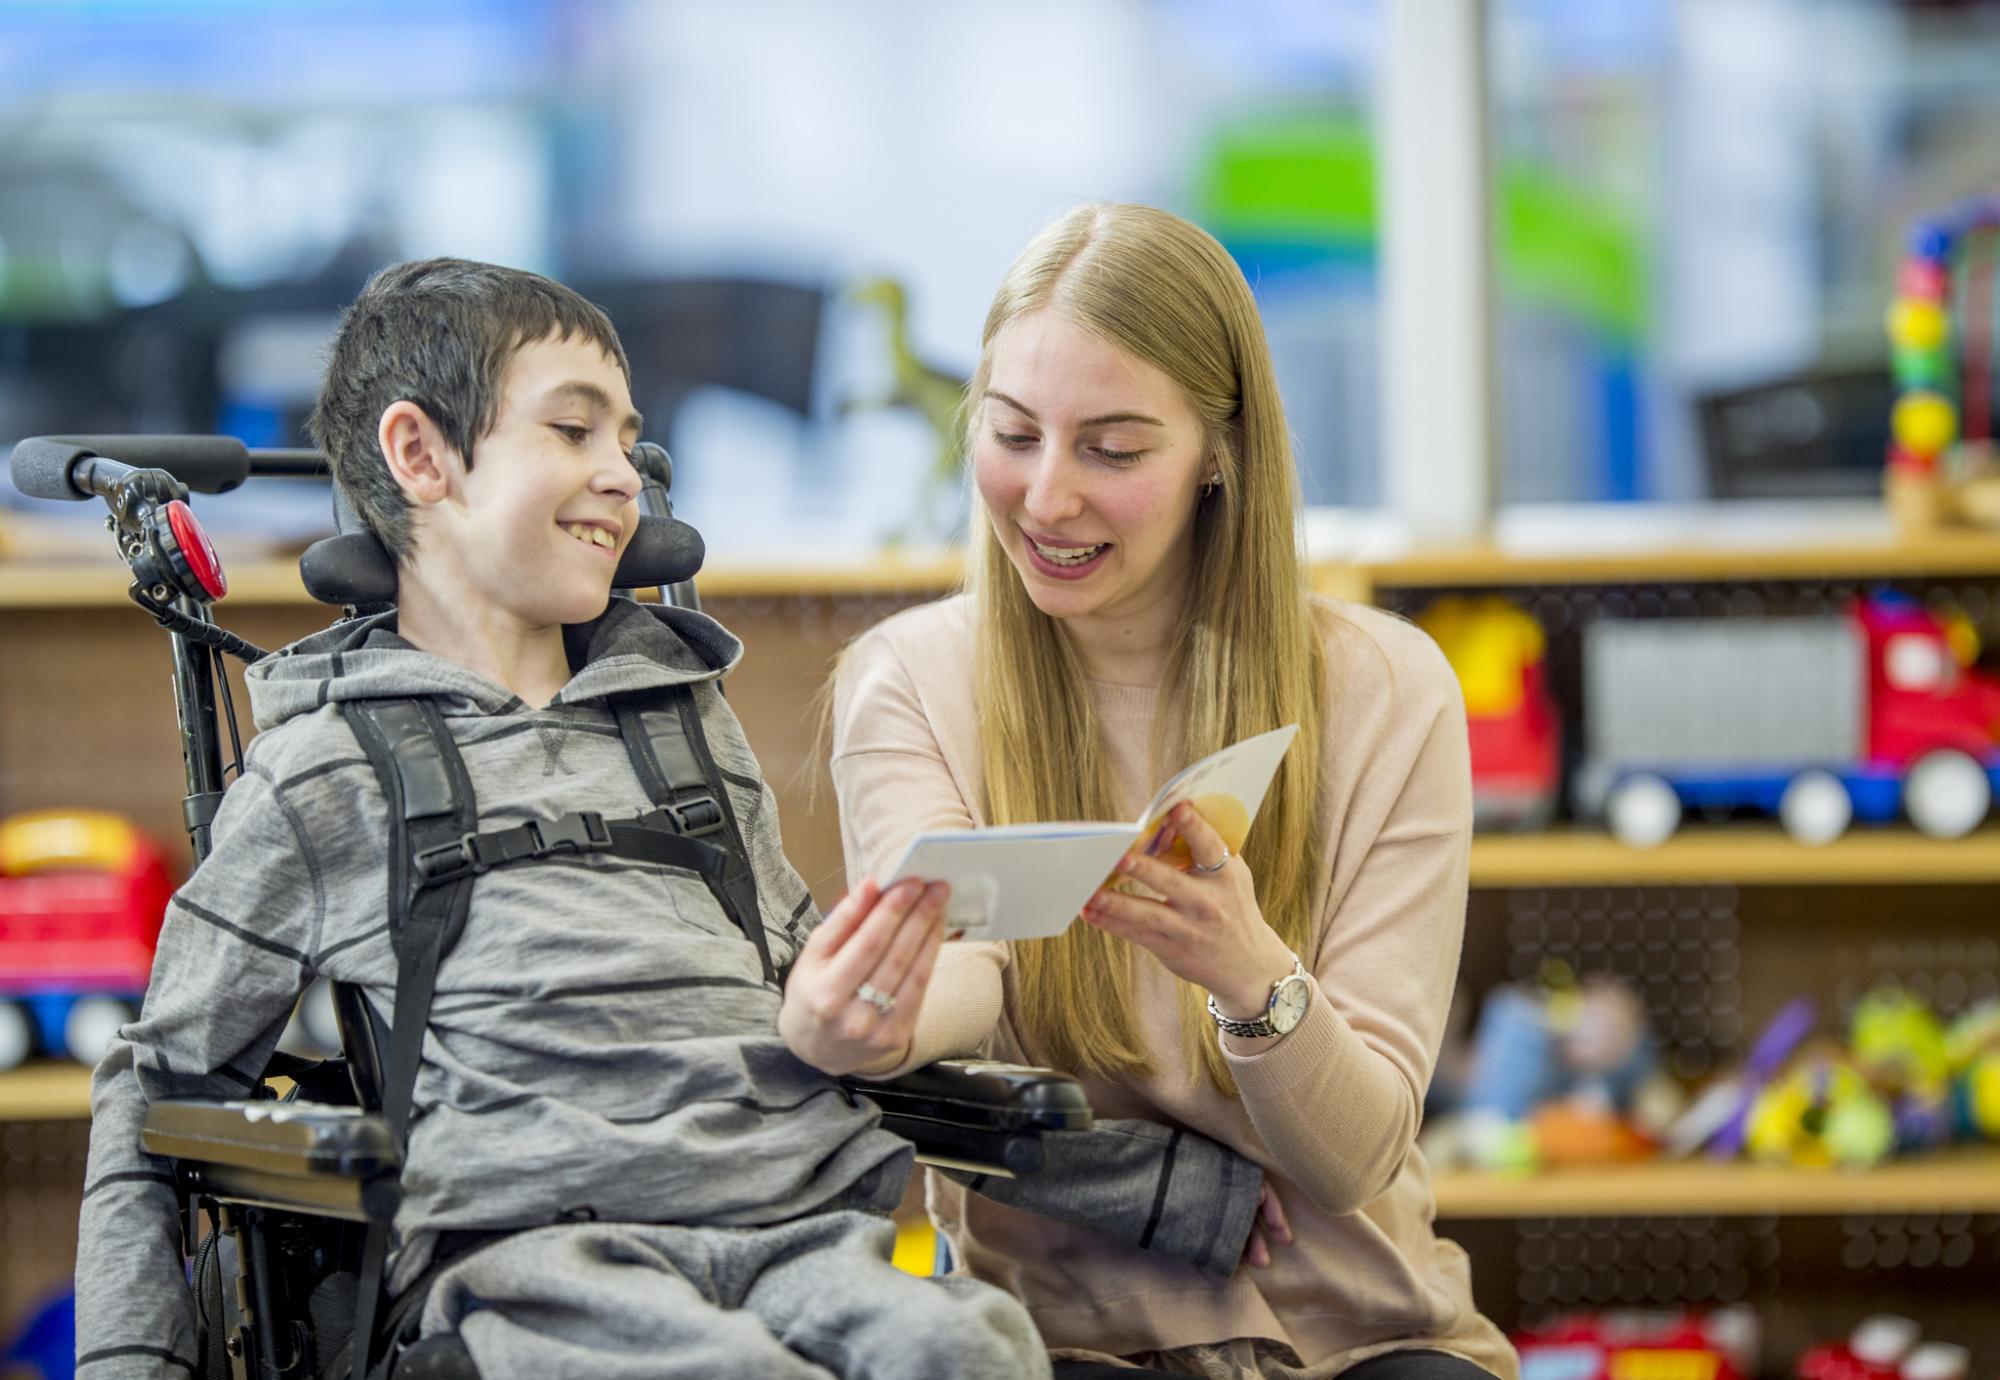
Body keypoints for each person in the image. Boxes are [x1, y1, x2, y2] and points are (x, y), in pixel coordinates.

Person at [74, 258, 1047, 1380]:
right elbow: (156, 1088)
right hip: (543, 1265)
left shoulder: (683, 730)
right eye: (573, 432)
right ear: (420, 455)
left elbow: (804, 996)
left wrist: (1177, 1193)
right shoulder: (326, 771)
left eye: (626, 441)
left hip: (795, 1222)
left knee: (969, 1345)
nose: (620, 475)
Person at [827, 204, 1518, 1380]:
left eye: (1111, 449)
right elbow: (959, 974)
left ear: (1217, 455)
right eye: (1011, 434)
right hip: (1058, 1342)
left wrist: (1247, 971)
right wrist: (881, 1016)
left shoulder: (1387, 689)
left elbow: (1355, 1158)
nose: (1044, 499)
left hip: (1360, 1337)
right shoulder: (909, 679)